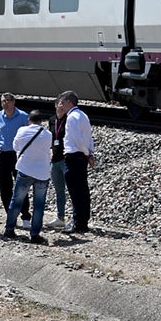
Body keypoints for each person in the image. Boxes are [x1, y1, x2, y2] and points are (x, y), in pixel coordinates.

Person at [2, 110, 52, 243]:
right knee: (39, 205)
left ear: (29, 120)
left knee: (16, 200)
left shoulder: (22, 130)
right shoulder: (48, 134)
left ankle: (9, 230)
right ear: (41, 121)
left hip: (24, 170)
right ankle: (35, 234)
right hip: (42, 173)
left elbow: (15, 146)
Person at [56, 91, 95, 233]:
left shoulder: (71, 117)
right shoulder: (83, 115)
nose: (61, 105)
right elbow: (89, 137)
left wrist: (86, 152)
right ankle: (83, 221)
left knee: (75, 191)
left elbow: (78, 139)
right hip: (82, 156)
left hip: (73, 157)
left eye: (62, 102)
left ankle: (77, 222)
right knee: (83, 190)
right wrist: (90, 153)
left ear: (69, 102)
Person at [0, 93, 31, 222]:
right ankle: (10, 214)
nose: (5, 103)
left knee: (21, 184)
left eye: (8, 101)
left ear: (14, 102)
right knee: (5, 185)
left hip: (18, 154)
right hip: (2, 155)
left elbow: (31, 133)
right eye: (3, 101)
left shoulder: (23, 117)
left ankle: (25, 215)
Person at [46, 110, 70, 229]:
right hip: (54, 160)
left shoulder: (69, 119)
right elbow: (50, 137)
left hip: (66, 159)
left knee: (72, 189)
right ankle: (60, 217)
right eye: (58, 105)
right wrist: (50, 149)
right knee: (59, 190)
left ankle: (76, 217)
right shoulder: (52, 120)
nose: (60, 108)